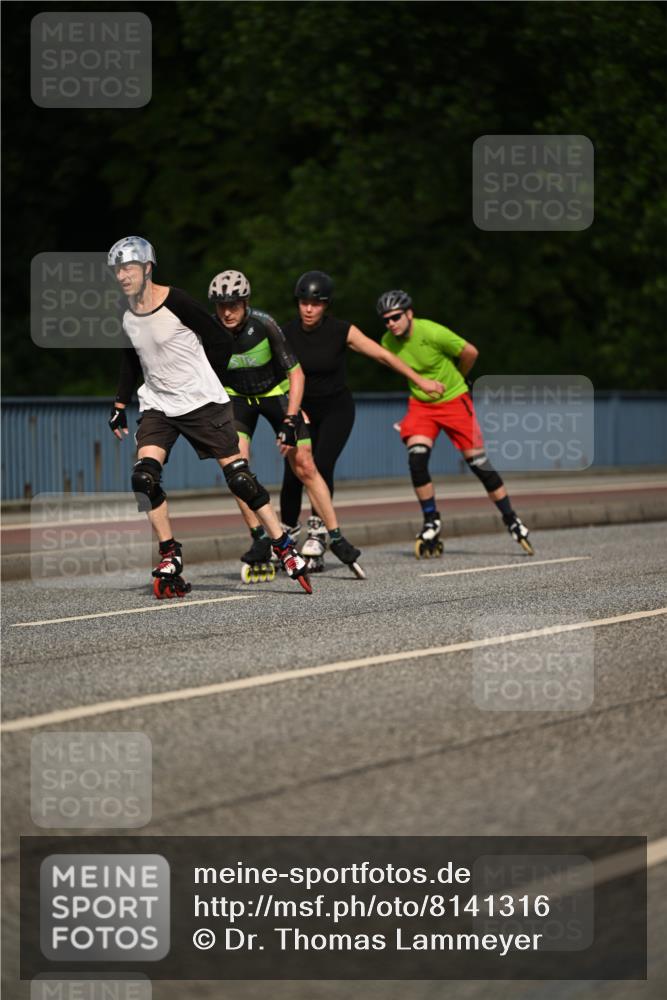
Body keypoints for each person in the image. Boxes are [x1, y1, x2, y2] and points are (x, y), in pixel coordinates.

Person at [106, 236, 313, 596]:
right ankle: (170, 553)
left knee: (239, 479)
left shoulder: (178, 301)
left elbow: (220, 340)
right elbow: (130, 359)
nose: (122, 276)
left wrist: (207, 377)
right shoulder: (125, 313)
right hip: (158, 406)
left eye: (129, 268)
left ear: (147, 268)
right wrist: (120, 405)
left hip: (202, 402)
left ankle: (283, 545)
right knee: (143, 478)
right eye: (117, 270)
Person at [205, 269, 364, 579]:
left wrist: (291, 419)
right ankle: (260, 538)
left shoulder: (264, 324)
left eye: (233, 305)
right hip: (237, 398)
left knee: (305, 465)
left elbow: (296, 373)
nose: (226, 312)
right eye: (220, 305)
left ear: (246, 303)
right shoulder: (210, 330)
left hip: (275, 394)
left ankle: (335, 537)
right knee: (237, 470)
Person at [280, 270, 444, 568]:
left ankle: (317, 531)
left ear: (326, 305)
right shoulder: (286, 333)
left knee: (321, 465)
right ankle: (287, 536)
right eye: (304, 303)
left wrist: (421, 381)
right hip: (301, 410)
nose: (309, 309)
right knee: (293, 472)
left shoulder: (342, 331)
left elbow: (383, 355)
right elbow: (274, 373)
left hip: (336, 409)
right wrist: (291, 408)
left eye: (316, 304)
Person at [376, 289, 534, 557]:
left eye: (396, 317)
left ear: (409, 314)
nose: (391, 323)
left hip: (453, 400)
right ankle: (431, 520)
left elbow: (470, 352)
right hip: (422, 405)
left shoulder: (432, 332)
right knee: (416, 460)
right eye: (386, 320)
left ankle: (511, 519)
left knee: (479, 465)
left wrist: (458, 378)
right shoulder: (387, 342)